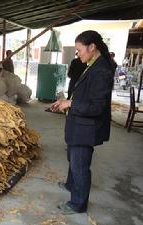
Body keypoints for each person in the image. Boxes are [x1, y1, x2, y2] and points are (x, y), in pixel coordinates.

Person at [50, 30, 114, 214]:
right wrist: (64, 102)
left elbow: (96, 107)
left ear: (92, 47)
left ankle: (77, 204)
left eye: (79, 50)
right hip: (78, 124)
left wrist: (71, 103)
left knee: (80, 165)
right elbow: (83, 93)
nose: (77, 54)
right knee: (73, 158)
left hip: (86, 128)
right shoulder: (93, 64)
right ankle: (71, 185)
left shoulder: (101, 70)